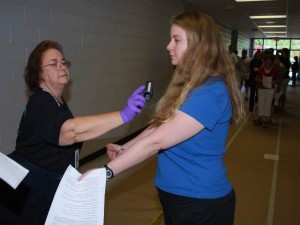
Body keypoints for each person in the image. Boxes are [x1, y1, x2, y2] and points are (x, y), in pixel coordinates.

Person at [80, 11, 245, 225]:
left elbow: (157, 141)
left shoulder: (211, 92)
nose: (169, 46)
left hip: (199, 202)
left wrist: (105, 173)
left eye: (176, 40)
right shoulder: (192, 86)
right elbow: (161, 126)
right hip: (179, 197)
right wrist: (127, 147)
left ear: (198, 45)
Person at [0, 40, 146, 225]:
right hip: (26, 191)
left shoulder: (56, 102)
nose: (61, 66)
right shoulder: (40, 102)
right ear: (39, 73)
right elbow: (71, 132)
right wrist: (123, 115)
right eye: (53, 64)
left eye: (63, 62)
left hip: (43, 187)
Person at [253, 53, 278, 128]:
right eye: (266, 60)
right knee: (260, 103)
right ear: (264, 61)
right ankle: (259, 118)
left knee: (268, 104)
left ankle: (265, 120)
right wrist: (259, 80)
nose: (267, 62)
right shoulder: (260, 70)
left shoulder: (274, 70)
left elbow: (277, 80)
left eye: (269, 61)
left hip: (270, 90)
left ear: (271, 62)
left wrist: (274, 82)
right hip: (261, 89)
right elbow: (256, 78)